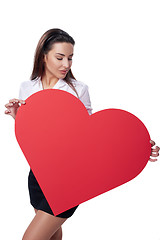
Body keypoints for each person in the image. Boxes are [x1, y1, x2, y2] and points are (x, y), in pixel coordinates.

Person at [4, 28, 160, 240]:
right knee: (51, 237)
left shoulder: (78, 89)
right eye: (60, 57)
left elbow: (90, 137)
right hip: (39, 175)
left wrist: (136, 146)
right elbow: (35, 135)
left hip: (68, 179)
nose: (66, 64)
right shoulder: (27, 87)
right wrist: (17, 116)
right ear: (44, 56)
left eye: (70, 58)